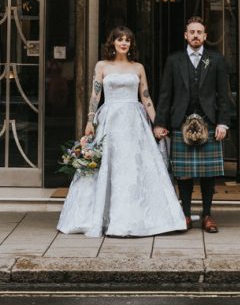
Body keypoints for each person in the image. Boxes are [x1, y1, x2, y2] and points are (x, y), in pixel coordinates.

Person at [56, 26, 186, 237]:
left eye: (127, 40)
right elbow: (94, 96)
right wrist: (90, 121)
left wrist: (157, 123)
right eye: (120, 39)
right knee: (108, 164)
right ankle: (102, 217)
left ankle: (139, 217)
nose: (124, 43)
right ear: (113, 43)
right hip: (110, 118)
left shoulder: (138, 68)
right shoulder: (102, 66)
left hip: (134, 120)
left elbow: (146, 98)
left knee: (133, 166)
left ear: (131, 44)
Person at [153, 16, 231, 233]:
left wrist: (223, 123)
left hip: (209, 122)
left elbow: (223, 95)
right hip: (180, 123)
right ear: (185, 35)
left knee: (208, 174)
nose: (196, 35)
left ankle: (207, 215)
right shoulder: (174, 60)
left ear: (205, 36)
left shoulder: (215, 60)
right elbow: (166, 94)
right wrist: (160, 123)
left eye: (199, 32)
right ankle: (185, 214)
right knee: (183, 173)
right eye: (192, 32)